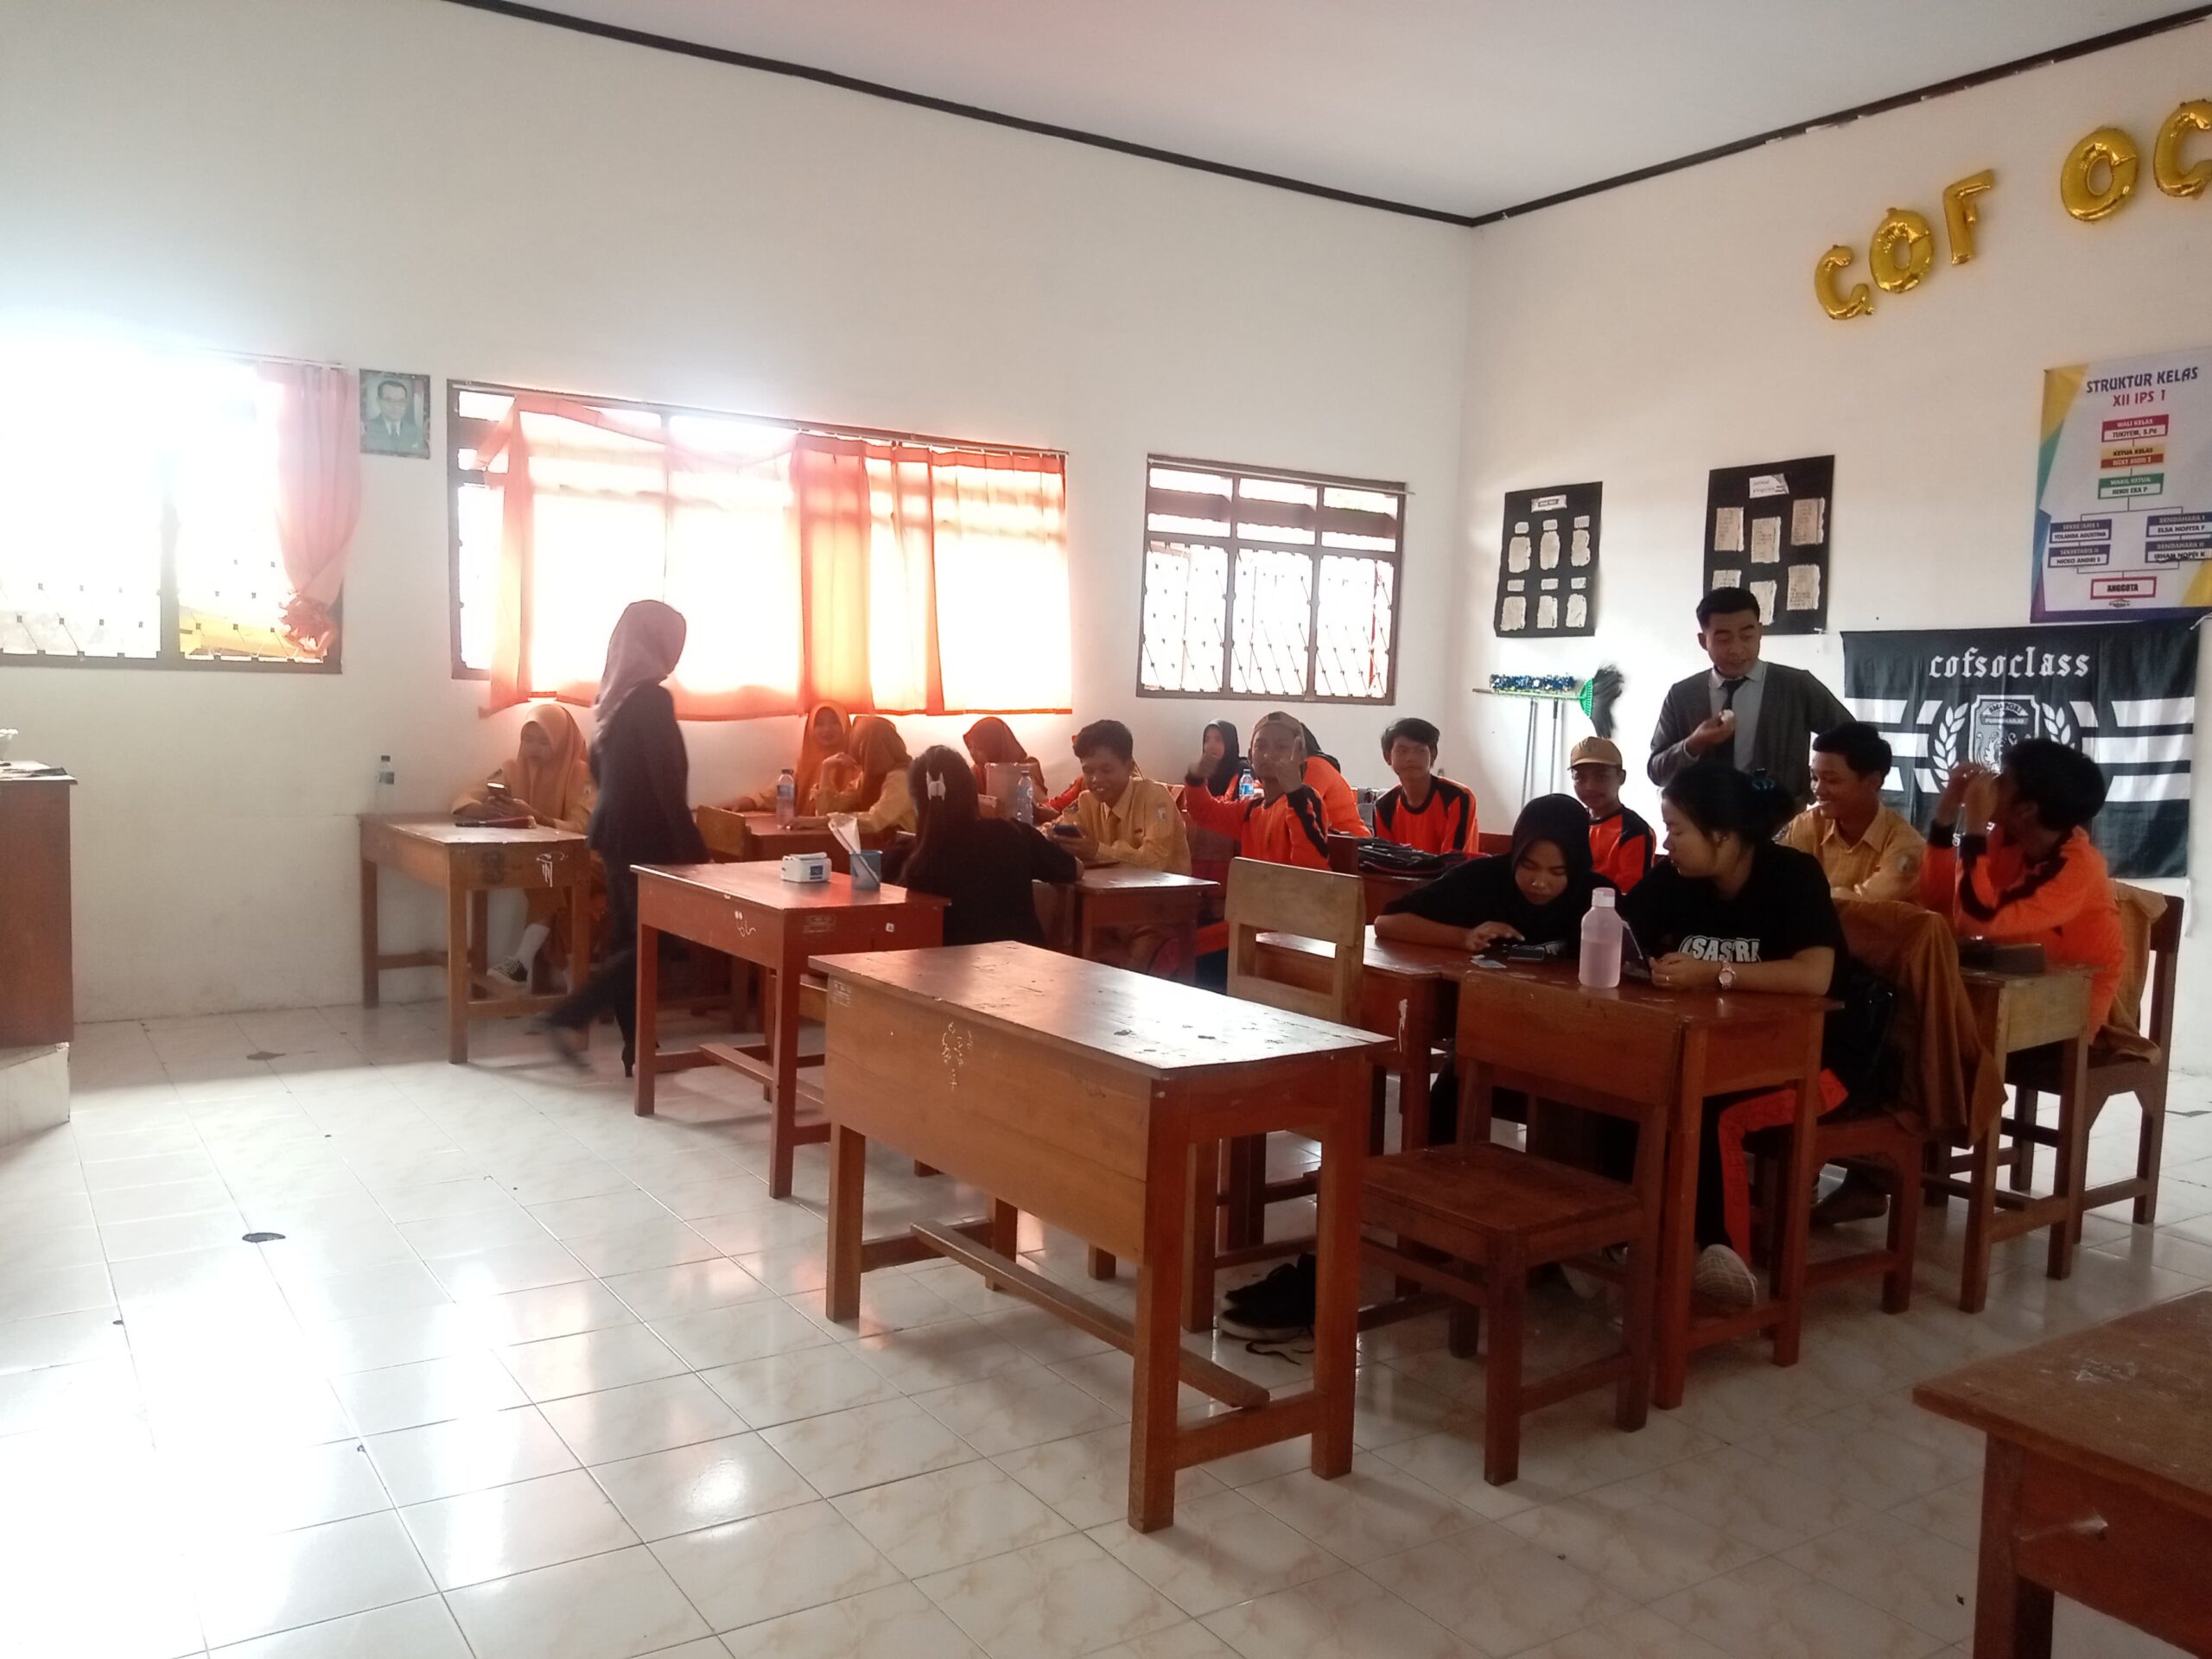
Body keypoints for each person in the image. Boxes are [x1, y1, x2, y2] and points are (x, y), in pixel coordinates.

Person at [1225, 794, 1615, 1338]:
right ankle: (1433, 1230)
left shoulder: (1600, 900)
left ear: (1578, 866)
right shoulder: (1485, 878)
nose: (1540, 882)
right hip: (1484, 1041)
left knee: (1588, 1111)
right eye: (1529, 865)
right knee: (1446, 1099)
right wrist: (1464, 937)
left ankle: (1571, 1242)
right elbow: (1389, 922)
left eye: (1557, 871)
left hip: (1565, 1045)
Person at [1619, 766, 1850, 1306]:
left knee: (1710, 1106)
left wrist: (1714, 972)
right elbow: (1621, 929)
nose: (1667, 843)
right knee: (1631, 1081)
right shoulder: (1676, 878)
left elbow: (1815, 975)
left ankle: (1724, 1255)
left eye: (1677, 830)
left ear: (1722, 834)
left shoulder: (1792, 876)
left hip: (1811, 1061)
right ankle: (1625, 1235)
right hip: (1714, 1048)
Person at [543, 601, 706, 1075]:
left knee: (629, 942)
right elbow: (666, 782)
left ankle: (637, 1046)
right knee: (659, 941)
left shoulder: (613, 699)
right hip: (648, 839)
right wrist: (696, 853)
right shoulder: (652, 700)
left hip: (614, 835)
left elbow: (600, 770)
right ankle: (570, 1014)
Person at [1921, 740, 2123, 1035]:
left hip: (2070, 1007)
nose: (1990, 783)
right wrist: (1947, 814)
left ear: (2026, 810)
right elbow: (1941, 901)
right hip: (2011, 982)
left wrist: (1975, 827)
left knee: (1936, 1035)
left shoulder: (2078, 868)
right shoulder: (2007, 838)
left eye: (2002, 780)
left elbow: (1975, 918)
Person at [1648, 587, 1850, 808]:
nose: (1737, 649)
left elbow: (1854, 741)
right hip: (1702, 820)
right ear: (1703, 641)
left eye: (1747, 636)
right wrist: (1694, 744)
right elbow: (1657, 772)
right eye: (1723, 639)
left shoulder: (1797, 686)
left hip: (1780, 819)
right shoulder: (1682, 695)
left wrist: (1815, 780)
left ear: (1760, 632)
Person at [453, 705, 597, 989]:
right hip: (546, 859)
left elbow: (581, 829)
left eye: (543, 742)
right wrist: (485, 810)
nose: (533, 749)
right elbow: (463, 798)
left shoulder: (585, 776)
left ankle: (524, 961)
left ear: (562, 741)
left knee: (553, 873)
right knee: (547, 872)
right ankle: (563, 982)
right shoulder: (513, 769)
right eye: (527, 739)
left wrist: (536, 817)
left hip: (587, 857)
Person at [884, 747, 1079, 945]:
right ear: (972, 792)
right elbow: (1074, 868)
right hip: (1021, 961)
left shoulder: (906, 858)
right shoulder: (1012, 834)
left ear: (916, 804)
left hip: (944, 964)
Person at [1781, 721, 1925, 903]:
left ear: (1873, 782)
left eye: (1832, 780)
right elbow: (1774, 883)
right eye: (1814, 777)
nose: (1818, 789)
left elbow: (1862, 907)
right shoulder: (1806, 825)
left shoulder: (1906, 845)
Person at [1179, 711, 1332, 871]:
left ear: (1301, 756)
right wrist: (1195, 778)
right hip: (1253, 887)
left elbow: (1311, 869)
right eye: (1260, 746)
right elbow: (1203, 812)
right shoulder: (1251, 810)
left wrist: (1295, 794)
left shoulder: (1305, 799)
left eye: (1281, 747)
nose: (1268, 755)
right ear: (1250, 756)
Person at [1371, 717, 1476, 855]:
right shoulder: (1384, 807)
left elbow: (1453, 861)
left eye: (1420, 750)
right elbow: (1385, 860)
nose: (1411, 758)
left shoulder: (1457, 798)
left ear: (1433, 755)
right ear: (1387, 757)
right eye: (1402, 751)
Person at [723, 702, 849, 812]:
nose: (827, 729)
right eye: (819, 724)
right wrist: (749, 802)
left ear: (845, 726)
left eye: (834, 722)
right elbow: (778, 793)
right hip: (805, 829)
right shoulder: (805, 765)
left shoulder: (854, 764)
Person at [1568, 735, 1655, 892]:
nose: (1589, 786)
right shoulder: (1571, 823)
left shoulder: (1634, 830)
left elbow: (1629, 895)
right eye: (1580, 777)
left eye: (1601, 776)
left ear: (1621, 777)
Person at [816, 715, 917, 834]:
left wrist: (824, 821)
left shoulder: (902, 778)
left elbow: (874, 821)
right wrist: (826, 768)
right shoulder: (867, 778)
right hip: (878, 843)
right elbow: (827, 811)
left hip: (907, 845)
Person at [963, 716, 1048, 804]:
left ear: (995, 747)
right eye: (970, 747)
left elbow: (1041, 806)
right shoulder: (977, 772)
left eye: (979, 748)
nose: (972, 753)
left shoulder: (1027, 768)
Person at [363, 376, 423, 454]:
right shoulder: (367, 429)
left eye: (401, 401)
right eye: (389, 400)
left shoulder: (417, 432)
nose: (396, 406)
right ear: (378, 401)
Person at [1192, 719, 1245, 800]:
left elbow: (1233, 802)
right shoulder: (1205, 771)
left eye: (1218, 740)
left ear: (1229, 743)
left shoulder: (1242, 769)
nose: (1211, 745)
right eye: (1207, 740)